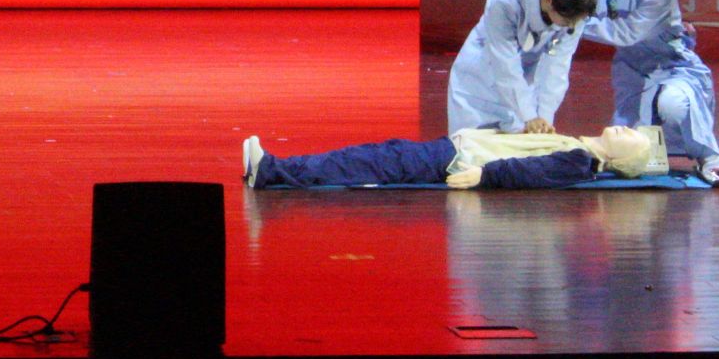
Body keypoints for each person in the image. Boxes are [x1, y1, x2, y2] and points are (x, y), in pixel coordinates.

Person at [578, 0, 719, 181]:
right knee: (626, 148)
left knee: (674, 105)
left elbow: (627, 33)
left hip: (671, 64)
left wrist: (576, 23)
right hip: (632, 70)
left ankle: (708, 157)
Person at [242, 123, 657, 190]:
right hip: (455, 150)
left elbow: (530, 170)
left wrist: (486, 176)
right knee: (372, 156)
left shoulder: (579, 161)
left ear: (620, 162)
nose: (627, 130)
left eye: (632, 140)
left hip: (455, 158)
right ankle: (275, 169)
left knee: (367, 161)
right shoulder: (576, 149)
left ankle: (273, 170)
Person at [447, 0, 603, 134]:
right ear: (549, 1)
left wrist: (544, 116)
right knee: (472, 143)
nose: (572, 27)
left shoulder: (574, 15)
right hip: (479, 84)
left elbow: (558, 67)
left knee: (523, 141)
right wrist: (529, 116)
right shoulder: (506, 1)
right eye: (567, 22)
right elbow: (504, 62)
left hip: (524, 88)